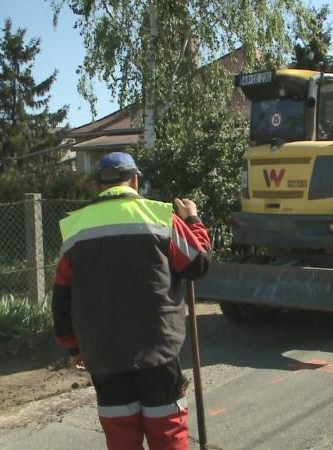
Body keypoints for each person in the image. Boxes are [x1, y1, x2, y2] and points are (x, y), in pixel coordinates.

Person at [52, 152, 211, 449]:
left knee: (122, 438)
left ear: (98, 186)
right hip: (158, 351)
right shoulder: (160, 217)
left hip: (104, 355)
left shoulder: (75, 228)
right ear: (135, 180)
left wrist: (73, 346)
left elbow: (61, 296)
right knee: (167, 432)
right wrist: (192, 219)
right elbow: (197, 264)